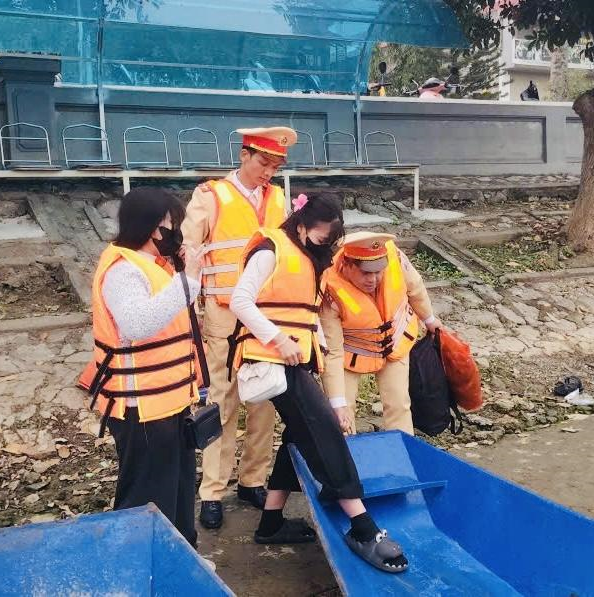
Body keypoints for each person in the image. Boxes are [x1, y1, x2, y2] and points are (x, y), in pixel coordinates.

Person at [228, 194, 409, 573]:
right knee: (323, 429)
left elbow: (310, 319)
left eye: (331, 240)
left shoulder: (311, 260)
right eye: (321, 238)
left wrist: (328, 375)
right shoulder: (271, 250)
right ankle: (362, 525)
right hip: (272, 361)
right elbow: (240, 301)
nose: (326, 246)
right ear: (301, 226)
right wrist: (277, 339)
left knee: (299, 432)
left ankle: (271, 522)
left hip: (296, 361)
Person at [182, 126, 294, 529]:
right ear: (244, 154)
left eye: (277, 165)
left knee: (263, 400)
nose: (269, 171)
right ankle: (213, 490)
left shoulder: (279, 198)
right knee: (222, 403)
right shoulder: (210, 196)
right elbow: (188, 250)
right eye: (264, 162)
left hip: (267, 318)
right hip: (224, 316)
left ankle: (253, 480)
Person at [86, 187, 205, 547]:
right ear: (155, 227)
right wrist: (189, 279)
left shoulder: (157, 265)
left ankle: (181, 559)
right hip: (142, 406)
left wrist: (183, 272)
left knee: (180, 489)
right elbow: (137, 324)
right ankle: (140, 569)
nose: (177, 231)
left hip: (171, 400)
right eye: (173, 224)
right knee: (148, 497)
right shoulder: (123, 271)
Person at [320, 232, 440, 435]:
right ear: (348, 265)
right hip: (351, 353)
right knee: (341, 413)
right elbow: (332, 352)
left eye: (378, 272)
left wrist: (429, 319)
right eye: (366, 273)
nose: (373, 279)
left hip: (395, 341)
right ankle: (346, 460)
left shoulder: (396, 259)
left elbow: (415, 288)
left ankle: (402, 455)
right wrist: (337, 402)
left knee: (399, 403)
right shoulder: (330, 289)